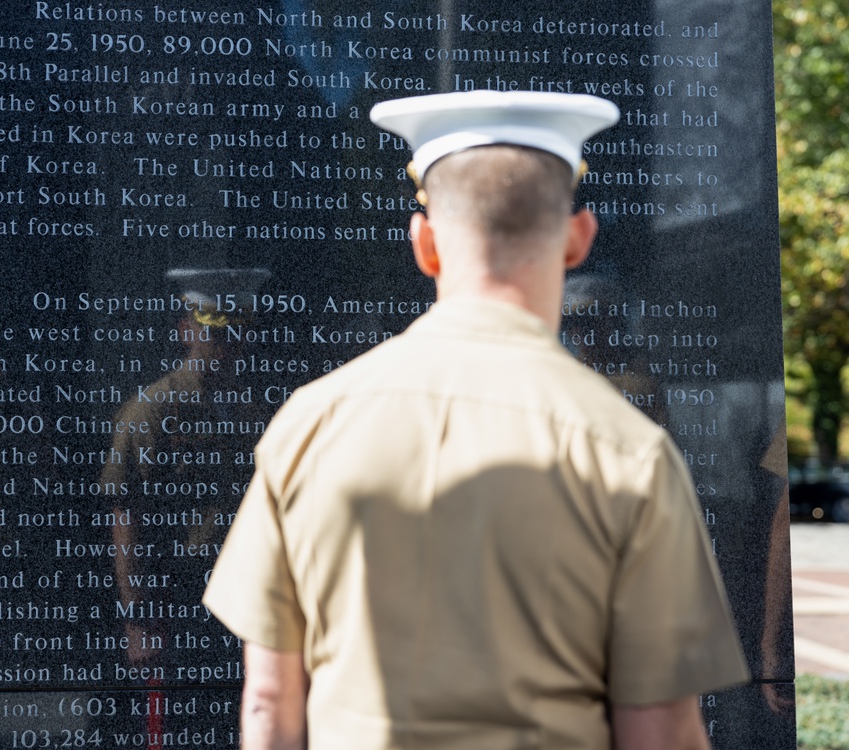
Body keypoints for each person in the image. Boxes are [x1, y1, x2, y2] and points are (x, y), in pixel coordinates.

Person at [203, 91, 749, 750]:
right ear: (578, 239)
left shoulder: (310, 422)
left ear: (424, 243)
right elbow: (659, 729)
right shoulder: (627, 448)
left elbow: (267, 701)